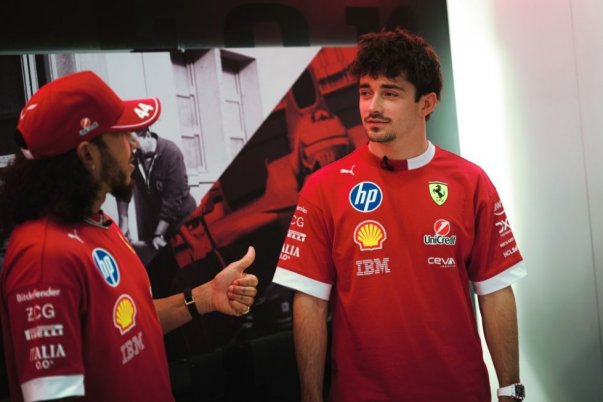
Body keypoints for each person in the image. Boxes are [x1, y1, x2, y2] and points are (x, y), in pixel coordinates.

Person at [272, 29, 527, 402]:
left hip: (459, 391)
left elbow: (495, 291)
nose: (372, 106)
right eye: (365, 92)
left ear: (427, 103)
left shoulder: (471, 182)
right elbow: (310, 302)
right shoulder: (323, 188)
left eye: (390, 93)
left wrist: (510, 389)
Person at [0, 70, 258, 402]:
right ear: (88, 155)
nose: (134, 144)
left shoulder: (99, 222)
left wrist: (206, 297)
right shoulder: (43, 257)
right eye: (121, 135)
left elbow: (130, 324)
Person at [116, 127, 196, 252]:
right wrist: (123, 221)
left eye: (133, 141)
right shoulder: (134, 157)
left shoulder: (171, 153)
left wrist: (158, 234)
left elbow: (172, 202)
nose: (131, 148)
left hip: (184, 220)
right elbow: (123, 186)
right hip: (159, 221)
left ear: (147, 135)